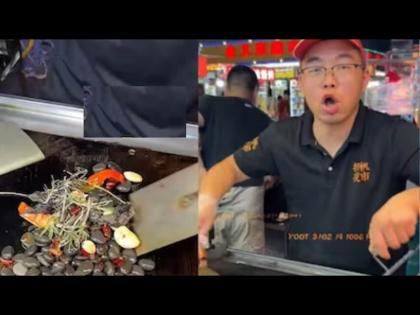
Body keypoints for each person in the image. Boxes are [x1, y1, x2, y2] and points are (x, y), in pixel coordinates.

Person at [198, 39, 419, 275]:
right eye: (315, 69)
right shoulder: (281, 136)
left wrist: (411, 201)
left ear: (364, 77)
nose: (328, 80)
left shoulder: (394, 135)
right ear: (300, 82)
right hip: (300, 270)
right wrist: (206, 202)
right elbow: (227, 169)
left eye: (343, 66)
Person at [198, 65, 272, 257]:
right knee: (248, 258)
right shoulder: (263, 119)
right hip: (248, 195)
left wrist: (198, 166)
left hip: (211, 190)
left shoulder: (209, 104)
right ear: (255, 91)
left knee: (213, 255)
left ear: (227, 87)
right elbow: (274, 165)